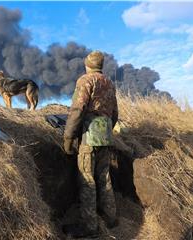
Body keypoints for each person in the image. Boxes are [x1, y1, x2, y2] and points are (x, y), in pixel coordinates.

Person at [63, 51, 118, 238]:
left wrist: (68, 137)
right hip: (106, 135)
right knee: (104, 176)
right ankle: (111, 218)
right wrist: (107, 130)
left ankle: (90, 226)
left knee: (87, 179)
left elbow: (77, 110)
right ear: (101, 65)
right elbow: (115, 113)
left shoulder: (85, 80)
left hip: (89, 136)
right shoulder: (109, 83)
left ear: (87, 65)